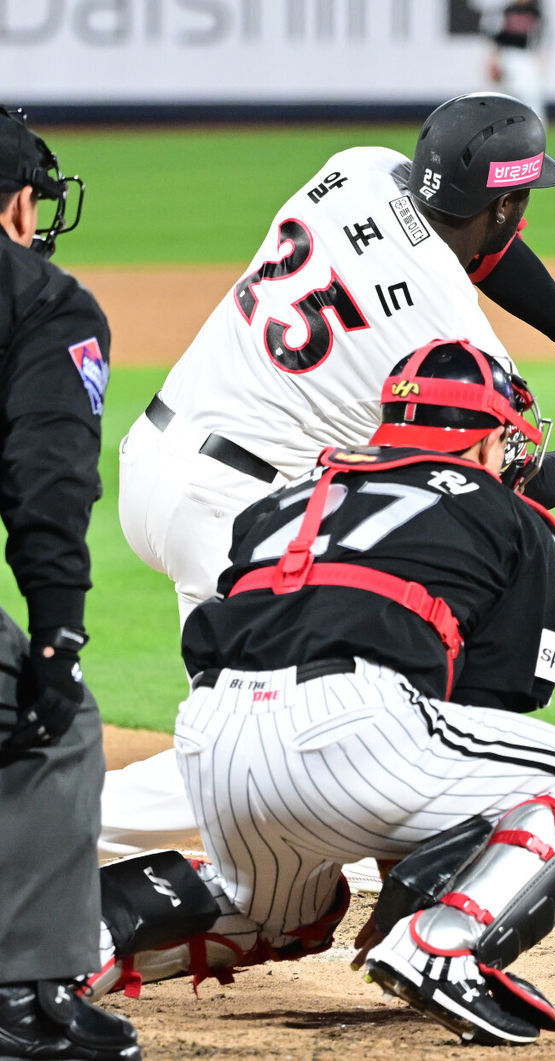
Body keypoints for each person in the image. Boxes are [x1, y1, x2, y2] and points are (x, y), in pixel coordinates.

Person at [101, 91, 555, 863]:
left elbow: (477, 246)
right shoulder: (452, 333)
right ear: (509, 204)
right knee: (252, 747)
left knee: (244, 727)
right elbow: (497, 487)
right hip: (234, 511)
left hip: (155, 458)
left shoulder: (357, 171)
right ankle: (52, 820)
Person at [87, 340, 555, 1047]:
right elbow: (480, 716)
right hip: (355, 729)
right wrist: (416, 891)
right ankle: (446, 943)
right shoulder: (516, 519)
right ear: (486, 437)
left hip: (210, 738)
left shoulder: (287, 499)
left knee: (273, 913)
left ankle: (70, 941)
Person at [0, 106, 142, 1061]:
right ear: (17, 202)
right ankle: (21, 999)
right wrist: (56, 637)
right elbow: (47, 482)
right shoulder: (42, 299)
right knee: (53, 729)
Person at [479, 1, 547, 124]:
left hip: (524, 55)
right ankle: (495, 130)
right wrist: (493, 59)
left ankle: (536, 129)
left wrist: (539, 57)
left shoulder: (534, 12)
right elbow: (493, 36)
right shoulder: (504, 10)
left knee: (530, 93)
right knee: (499, 95)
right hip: (504, 54)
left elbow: (540, 37)